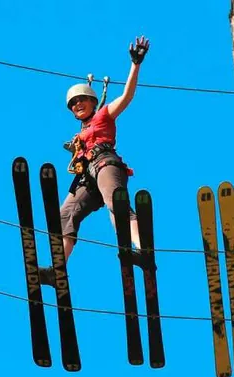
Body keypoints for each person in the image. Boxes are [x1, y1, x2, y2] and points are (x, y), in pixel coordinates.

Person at [39, 36, 151, 284]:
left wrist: (135, 64)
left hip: (105, 165)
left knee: (117, 204)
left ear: (92, 101)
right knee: (64, 215)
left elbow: (127, 96)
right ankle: (58, 270)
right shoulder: (79, 134)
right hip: (86, 176)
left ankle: (143, 250)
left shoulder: (103, 116)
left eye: (81, 100)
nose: (77, 104)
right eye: (73, 103)